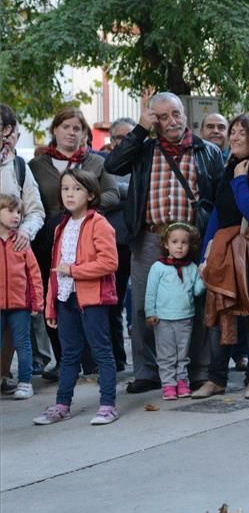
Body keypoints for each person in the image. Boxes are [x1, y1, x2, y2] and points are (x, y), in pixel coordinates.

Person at [105, 92, 224, 394]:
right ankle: (148, 371)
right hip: (149, 237)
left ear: (184, 114)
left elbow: (220, 196)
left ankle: (197, 370)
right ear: (153, 120)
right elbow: (114, 165)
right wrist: (139, 130)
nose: (171, 121)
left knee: (195, 304)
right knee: (145, 304)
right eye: (162, 117)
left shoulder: (207, 150)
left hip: (193, 237)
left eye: (175, 114)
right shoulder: (143, 149)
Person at [192, 113, 249, 400]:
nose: (233, 136)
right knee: (219, 318)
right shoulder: (230, 169)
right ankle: (216, 379)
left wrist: (242, 179)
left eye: (241, 132)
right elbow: (218, 215)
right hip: (224, 257)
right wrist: (207, 253)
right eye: (233, 131)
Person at [29, 107, 120, 377]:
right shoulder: (37, 165)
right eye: (65, 126)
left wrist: (85, 206)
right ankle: (62, 361)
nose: (71, 132)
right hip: (48, 241)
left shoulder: (95, 163)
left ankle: (92, 362)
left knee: (88, 300)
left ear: (84, 134)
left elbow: (113, 194)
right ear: (54, 130)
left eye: (77, 128)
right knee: (56, 299)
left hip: (86, 240)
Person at [33, 168, 120, 426]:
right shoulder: (61, 226)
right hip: (65, 298)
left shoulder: (99, 224)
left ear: (91, 194)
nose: (70, 194)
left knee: (102, 352)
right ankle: (62, 404)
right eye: (65, 188)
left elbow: (109, 262)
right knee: (69, 354)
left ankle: (107, 405)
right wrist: (51, 306)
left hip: (92, 299)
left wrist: (75, 270)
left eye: (77, 189)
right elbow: (54, 270)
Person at [0, 104, 48, 390]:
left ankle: (6, 375)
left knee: (12, 328)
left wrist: (25, 233)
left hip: (11, 254)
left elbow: (36, 211)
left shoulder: (17, 167)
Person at [144, 222, 206, 400]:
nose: (179, 246)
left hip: (185, 317)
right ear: (166, 244)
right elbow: (151, 292)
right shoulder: (158, 267)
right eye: (175, 241)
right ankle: (168, 384)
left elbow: (196, 292)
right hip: (163, 319)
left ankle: (182, 381)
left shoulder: (191, 268)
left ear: (190, 245)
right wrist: (150, 312)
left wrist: (203, 278)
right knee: (166, 354)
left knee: (183, 354)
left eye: (184, 242)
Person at [96, 116, 138, 372]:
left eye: (129, 136)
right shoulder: (104, 164)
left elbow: (120, 194)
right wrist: (128, 192)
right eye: (119, 137)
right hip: (115, 244)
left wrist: (118, 192)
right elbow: (102, 196)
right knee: (113, 302)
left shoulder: (145, 160)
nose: (124, 142)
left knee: (146, 305)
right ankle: (117, 358)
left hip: (143, 241)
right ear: (111, 141)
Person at [0, 193, 44, 399]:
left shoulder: (21, 242)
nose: (16, 216)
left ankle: (25, 382)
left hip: (20, 304)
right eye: (10, 211)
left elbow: (34, 274)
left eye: (18, 212)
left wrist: (38, 302)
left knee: (23, 343)